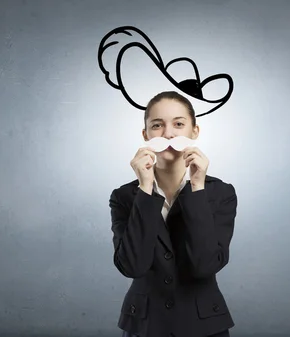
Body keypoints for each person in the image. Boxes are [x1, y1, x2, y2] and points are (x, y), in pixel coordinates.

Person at [108, 91, 238, 337]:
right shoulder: (124, 197)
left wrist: (197, 189)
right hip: (144, 327)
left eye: (178, 124)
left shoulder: (221, 193)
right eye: (157, 125)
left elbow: (205, 265)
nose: (168, 134)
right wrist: (145, 190)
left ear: (194, 132)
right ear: (146, 135)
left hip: (205, 326)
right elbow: (132, 266)